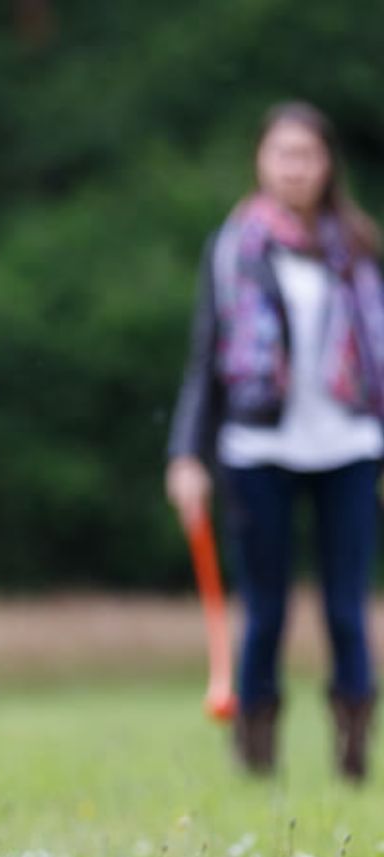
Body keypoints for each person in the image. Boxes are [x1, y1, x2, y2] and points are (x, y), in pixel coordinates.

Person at [166, 101, 384, 780]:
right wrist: (185, 454)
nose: (295, 167)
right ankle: (256, 752)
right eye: (282, 154)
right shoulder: (234, 248)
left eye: (307, 155)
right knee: (265, 609)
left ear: (327, 166)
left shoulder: (357, 246)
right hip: (257, 448)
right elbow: (206, 358)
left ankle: (353, 744)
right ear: (261, 160)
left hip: (349, 442)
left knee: (348, 607)